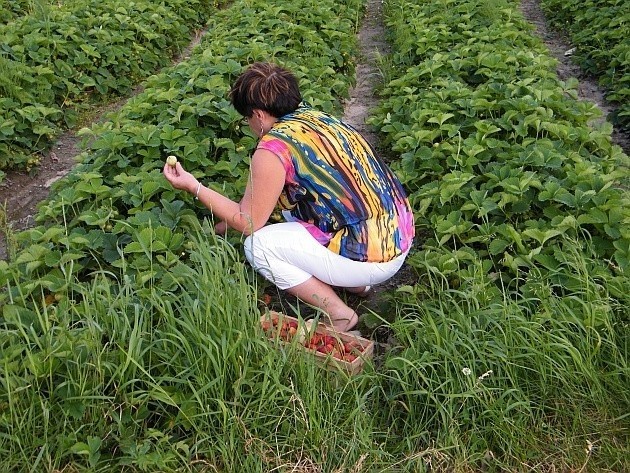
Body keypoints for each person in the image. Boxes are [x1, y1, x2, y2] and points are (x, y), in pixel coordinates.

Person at [163, 62, 414, 332]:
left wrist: (194, 186)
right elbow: (266, 203)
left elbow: (248, 221)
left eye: (246, 118)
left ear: (258, 116)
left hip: (370, 255)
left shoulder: (273, 149)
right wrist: (219, 229)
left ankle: (340, 314)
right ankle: (357, 285)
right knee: (292, 217)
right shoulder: (319, 120)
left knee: (257, 246)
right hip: (397, 238)